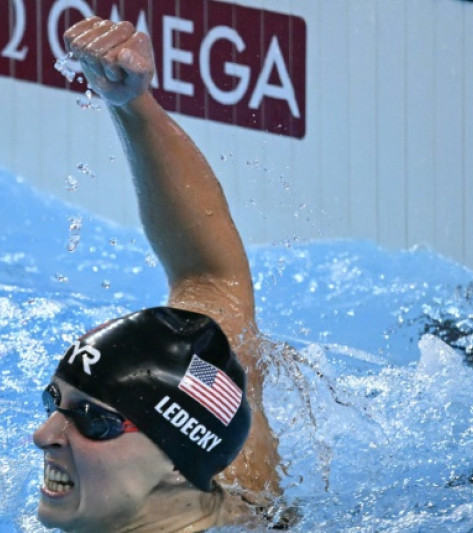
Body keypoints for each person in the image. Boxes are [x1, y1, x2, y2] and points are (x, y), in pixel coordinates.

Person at [31, 16, 282, 533]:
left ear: (174, 461)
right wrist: (131, 105)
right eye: (57, 402)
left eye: (94, 422)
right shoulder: (228, 472)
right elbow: (210, 278)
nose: (45, 433)